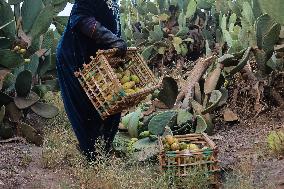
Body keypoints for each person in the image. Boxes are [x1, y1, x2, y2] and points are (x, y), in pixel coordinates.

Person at [56, 0, 127, 161]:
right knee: (85, 106)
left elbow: (112, 22)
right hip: (74, 57)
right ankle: (91, 154)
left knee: (113, 102)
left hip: (98, 60)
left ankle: (104, 148)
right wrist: (112, 40)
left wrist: (116, 43)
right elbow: (81, 18)